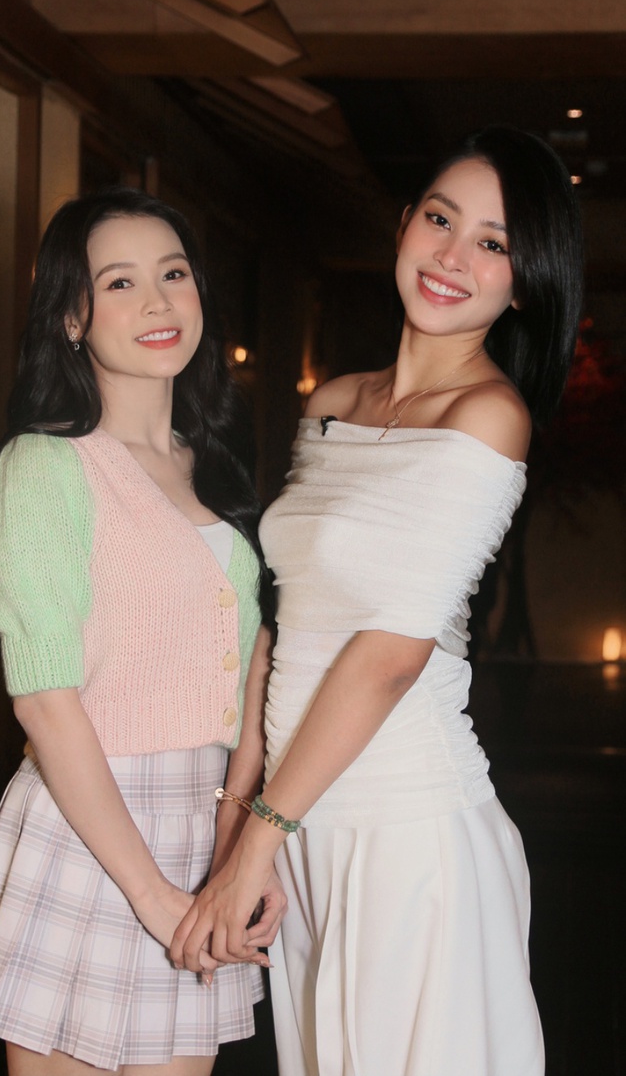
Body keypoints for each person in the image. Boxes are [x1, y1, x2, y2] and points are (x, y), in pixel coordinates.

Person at [172, 126, 584, 1076]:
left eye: (494, 242)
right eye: (441, 219)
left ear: (524, 284)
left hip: (406, 827)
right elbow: (281, 629)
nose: (453, 255)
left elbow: (392, 653)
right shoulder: (332, 401)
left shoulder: (489, 416)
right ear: (403, 225)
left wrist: (256, 842)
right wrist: (243, 821)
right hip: (305, 823)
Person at [0, 187, 285, 1075]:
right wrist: (153, 896)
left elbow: (251, 680)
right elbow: (45, 705)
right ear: (71, 316)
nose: (159, 302)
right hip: (91, 830)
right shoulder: (44, 467)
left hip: (200, 832)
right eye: (120, 282)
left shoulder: (216, 467)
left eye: (174, 274)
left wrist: (242, 856)